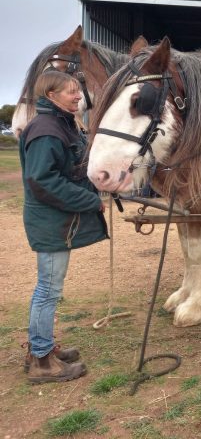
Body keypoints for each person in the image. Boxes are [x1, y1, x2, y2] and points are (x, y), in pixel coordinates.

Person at [20, 70, 107, 384]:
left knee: (48, 290)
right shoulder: (46, 130)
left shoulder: (61, 124)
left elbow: (70, 169)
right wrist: (90, 201)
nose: (77, 96)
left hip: (54, 222)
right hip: (51, 224)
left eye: (76, 91)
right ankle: (42, 361)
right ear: (51, 95)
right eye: (70, 92)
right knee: (47, 291)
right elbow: (43, 181)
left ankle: (41, 348)